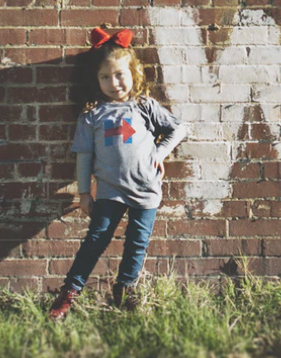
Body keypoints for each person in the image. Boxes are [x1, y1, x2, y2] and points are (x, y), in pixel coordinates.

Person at [47, 26, 189, 319]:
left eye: (120, 74)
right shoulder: (92, 115)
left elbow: (179, 128)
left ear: (133, 72)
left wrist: (160, 153)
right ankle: (69, 293)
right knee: (95, 240)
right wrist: (84, 193)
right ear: (96, 80)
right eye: (105, 77)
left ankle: (124, 292)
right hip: (110, 190)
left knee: (137, 244)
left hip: (146, 189)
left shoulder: (144, 106)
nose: (114, 83)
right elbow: (84, 156)